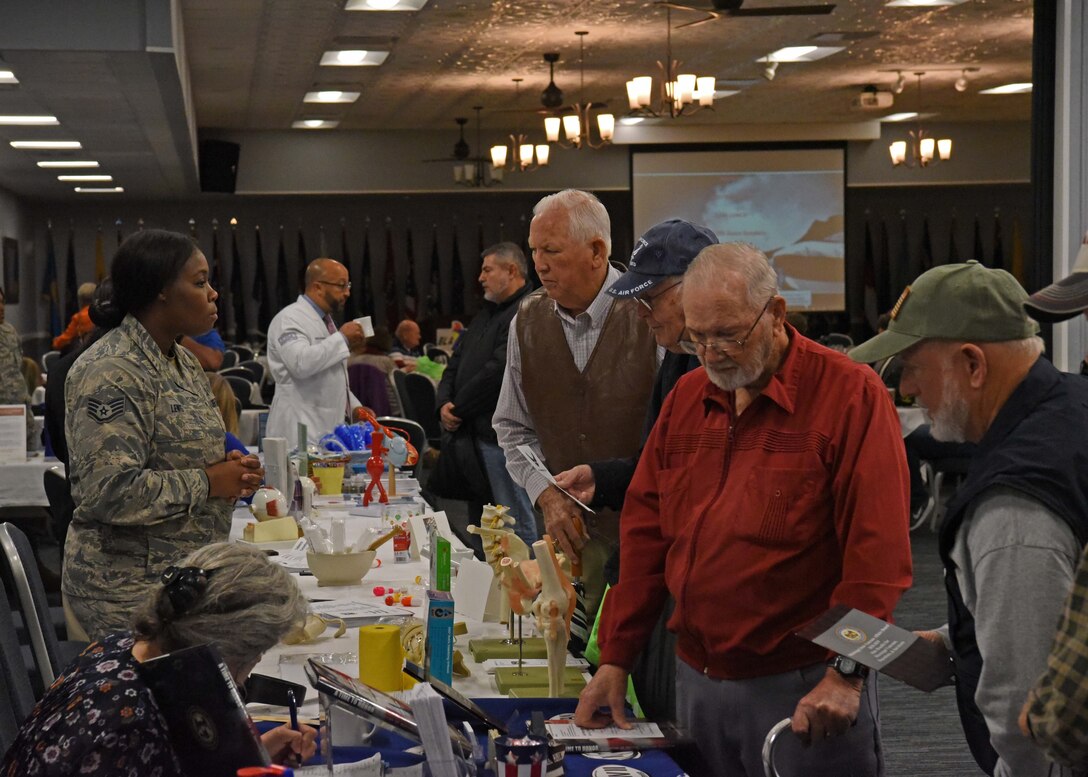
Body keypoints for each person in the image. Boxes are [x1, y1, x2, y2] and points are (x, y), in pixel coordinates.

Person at [576, 243, 912, 777]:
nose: (712, 353)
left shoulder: (850, 396)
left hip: (805, 688)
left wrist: (848, 673)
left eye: (729, 334)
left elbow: (879, 559)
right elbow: (645, 538)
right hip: (698, 684)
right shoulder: (687, 399)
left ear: (776, 314)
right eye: (697, 336)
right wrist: (617, 657)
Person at [848, 260, 1088, 777]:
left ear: (973, 365)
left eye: (912, 365)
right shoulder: (1071, 407)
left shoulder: (1014, 506)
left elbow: (1022, 706)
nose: (907, 389)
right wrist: (960, 632)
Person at [63, 229, 264, 641]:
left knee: (279, 613)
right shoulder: (112, 370)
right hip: (128, 590)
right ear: (160, 292)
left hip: (183, 574)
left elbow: (182, 454)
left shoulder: (182, 361)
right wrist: (208, 482)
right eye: (199, 281)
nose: (213, 293)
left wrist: (228, 470)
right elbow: (109, 492)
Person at [552, 218, 716, 720]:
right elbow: (658, 470)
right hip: (666, 578)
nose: (643, 314)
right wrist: (604, 477)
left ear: (700, 285)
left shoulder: (714, 369)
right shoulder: (678, 361)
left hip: (709, 597)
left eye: (654, 298)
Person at [1, 542, 317, 775]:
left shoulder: (125, 649)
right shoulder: (128, 727)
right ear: (226, 650)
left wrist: (252, 755)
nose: (255, 664)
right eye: (257, 653)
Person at [493, 189, 658, 618]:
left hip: (649, 542)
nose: (539, 265)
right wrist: (546, 493)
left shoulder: (651, 315)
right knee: (572, 669)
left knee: (637, 674)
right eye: (534, 251)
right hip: (570, 548)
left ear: (597, 251)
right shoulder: (526, 320)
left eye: (551, 250)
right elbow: (512, 428)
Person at [433, 242, 535, 546]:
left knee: (514, 524)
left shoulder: (527, 311)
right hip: (473, 435)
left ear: (512, 270)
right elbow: (455, 362)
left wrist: (458, 407)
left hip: (503, 438)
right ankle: (489, 589)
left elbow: (498, 371)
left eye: (487, 269)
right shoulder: (486, 314)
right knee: (484, 527)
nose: (480, 277)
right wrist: (443, 404)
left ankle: (530, 590)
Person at [266, 258, 366, 445]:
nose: (347, 293)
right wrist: (343, 339)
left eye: (348, 285)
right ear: (317, 287)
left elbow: (331, 377)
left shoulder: (326, 322)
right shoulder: (289, 319)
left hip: (325, 428)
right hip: (298, 430)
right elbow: (300, 363)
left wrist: (355, 408)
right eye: (341, 285)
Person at [52, 282, 97, 353]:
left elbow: (64, 339)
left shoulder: (79, 317)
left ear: (81, 300)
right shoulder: (102, 312)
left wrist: (55, 342)